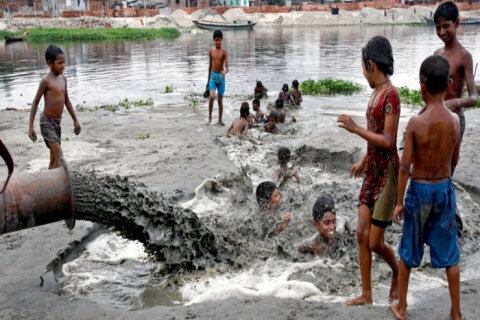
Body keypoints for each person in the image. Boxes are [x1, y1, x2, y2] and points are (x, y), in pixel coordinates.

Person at [390, 55, 462, 320]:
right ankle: (456, 311)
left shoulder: (415, 124)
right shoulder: (454, 121)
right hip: (444, 188)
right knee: (450, 253)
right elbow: (455, 159)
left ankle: (403, 307)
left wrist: (399, 202)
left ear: (421, 86)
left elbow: (405, 166)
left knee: (409, 250)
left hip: (419, 191)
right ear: (450, 83)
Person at [337, 36, 400, 305]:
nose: (363, 74)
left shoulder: (391, 95)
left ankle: (397, 271)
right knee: (361, 234)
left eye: (363, 68)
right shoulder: (375, 92)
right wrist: (363, 162)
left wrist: (354, 129)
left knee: (375, 242)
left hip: (387, 175)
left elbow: (387, 141)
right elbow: (375, 136)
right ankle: (367, 293)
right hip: (371, 172)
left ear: (370, 64)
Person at [28, 45, 81, 170]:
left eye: (64, 62)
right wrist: (31, 127)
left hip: (57, 123)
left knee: (53, 158)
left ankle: (49, 181)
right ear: (50, 64)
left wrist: (75, 120)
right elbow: (35, 102)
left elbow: (67, 101)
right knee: (59, 155)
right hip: (46, 123)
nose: (63, 66)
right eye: (60, 63)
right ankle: (59, 181)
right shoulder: (46, 81)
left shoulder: (64, 79)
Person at [206, 30, 229, 126]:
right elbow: (210, 66)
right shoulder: (211, 51)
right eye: (216, 40)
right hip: (213, 77)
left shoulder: (224, 52)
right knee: (211, 97)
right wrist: (207, 82)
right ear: (213, 40)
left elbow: (227, 67)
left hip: (221, 78)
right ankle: (210, 118)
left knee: (220, 100)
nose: (218, 42)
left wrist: (225, 71)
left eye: (219, 40)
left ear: (222, 40)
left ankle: (220, 120)